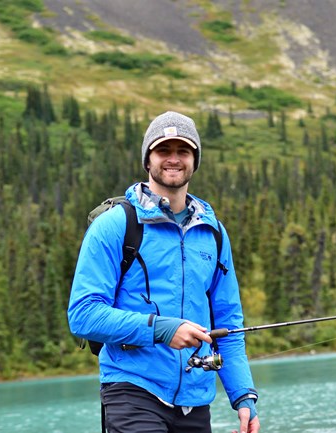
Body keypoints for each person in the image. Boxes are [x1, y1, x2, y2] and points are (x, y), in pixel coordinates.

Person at [68, 111, 260, 433]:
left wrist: (243, 396)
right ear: (148, 159)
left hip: (195, 401)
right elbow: (83, 315)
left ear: (195, 160)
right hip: (132, 392)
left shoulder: (213, 233)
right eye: (163, 151)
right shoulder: (114, 225)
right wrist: (161, 328)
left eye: (182, 151)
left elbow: (228, 322)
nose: (173, 159)